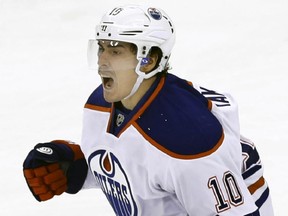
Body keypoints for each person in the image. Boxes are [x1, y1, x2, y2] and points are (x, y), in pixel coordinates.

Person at [23, 4, 274, 216]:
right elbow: (138, 167)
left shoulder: (189, 142)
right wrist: (76, 166)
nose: (101, 61)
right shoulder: (99, 104)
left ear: (149, 60)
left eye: (115, 51)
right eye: (101, 48)